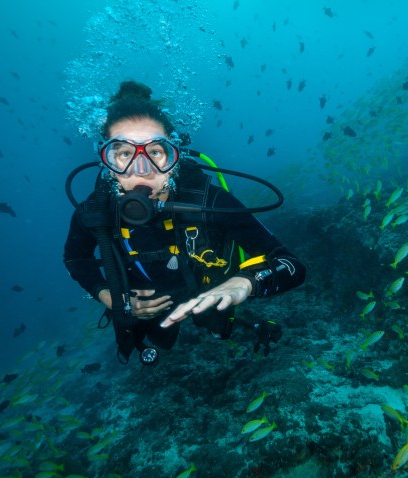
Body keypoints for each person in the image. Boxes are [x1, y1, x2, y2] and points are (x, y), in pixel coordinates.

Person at [63, 80, 306, 364]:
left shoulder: (209, 202)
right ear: (107, 163)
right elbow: (75, 258)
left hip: (208, 294)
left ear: (173, 157)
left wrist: (247, 282)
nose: (142, 170)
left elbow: (291, 264)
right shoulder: (95, 212)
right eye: (124, 154)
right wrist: (108, 295)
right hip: (148, 307)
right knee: (157, 341)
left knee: (219, 325)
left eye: (155, 152)